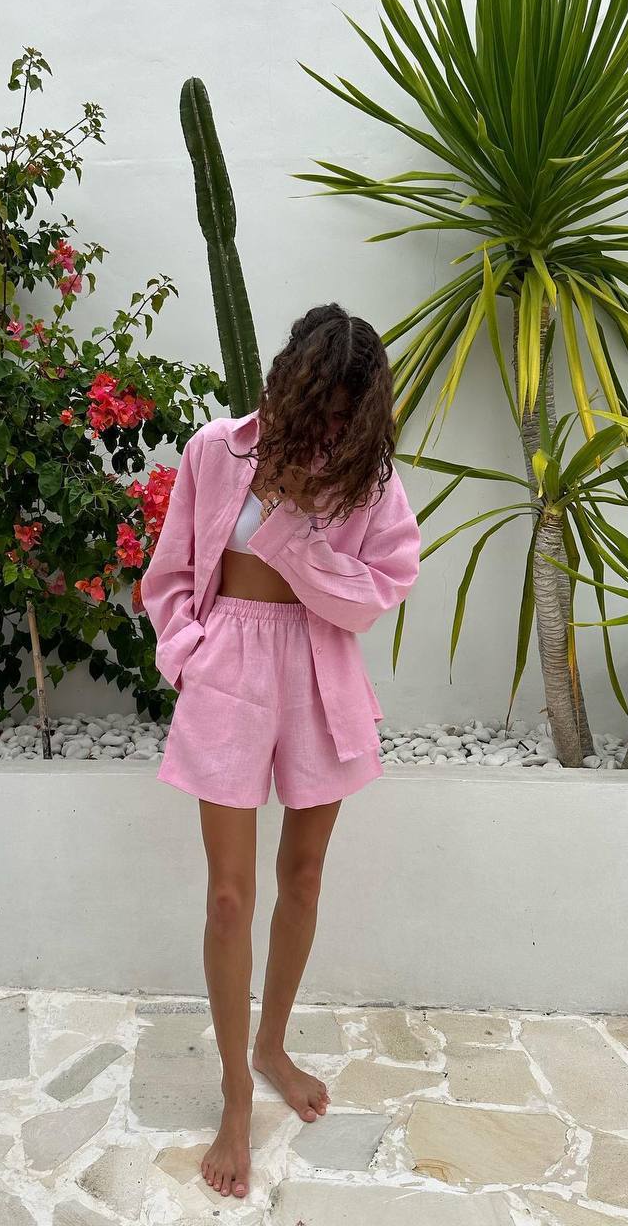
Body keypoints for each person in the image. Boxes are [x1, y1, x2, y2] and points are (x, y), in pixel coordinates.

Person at [139, 302, 421, 1198]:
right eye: (320, 407)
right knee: (229, 897)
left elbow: (375, 594)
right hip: (227, 665)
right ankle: (234, 1095)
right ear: (288, 384)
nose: (331, 429)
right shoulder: (217, 451)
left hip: (317, 669)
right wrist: (189, 655)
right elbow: (171, 574)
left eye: (347, 414)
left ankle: (271, 1046)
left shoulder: (368, 481)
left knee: (302, 876)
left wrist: (295, 531)